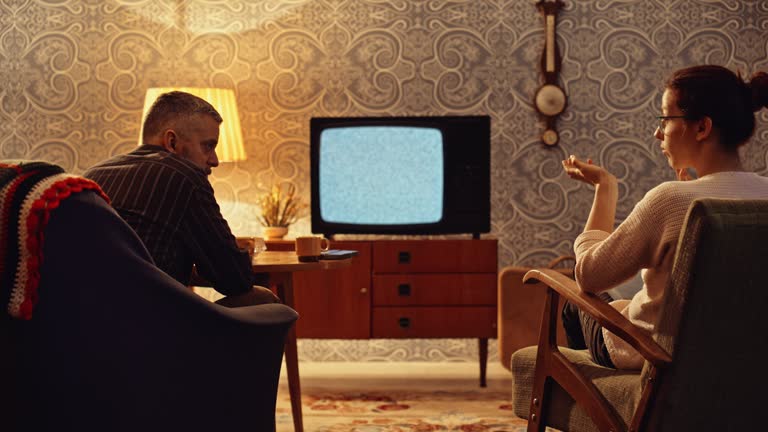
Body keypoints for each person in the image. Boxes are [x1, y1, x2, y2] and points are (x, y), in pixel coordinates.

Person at [560, 65, 768, 369]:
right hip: (743, 366)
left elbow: (589, 275)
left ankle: (609, 407)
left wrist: (606, 188)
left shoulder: (670, 200)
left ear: (701, 128)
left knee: (573, 303)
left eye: (666, 118)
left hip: (655, 358)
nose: (657, 132)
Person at [85, 91, 278, 307]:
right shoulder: (185, 177)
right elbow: (235, 279)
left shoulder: (92, 175)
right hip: (143, 325)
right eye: (208, 146)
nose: (214, 160)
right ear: (172, 141)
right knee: (264, 301)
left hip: (79, 323)